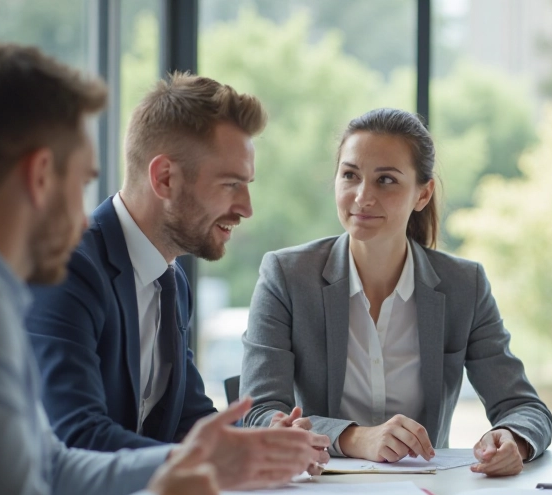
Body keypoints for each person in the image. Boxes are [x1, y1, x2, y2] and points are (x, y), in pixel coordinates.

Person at [0, 43, 319, 495]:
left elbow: (54, 467)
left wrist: (206, 458)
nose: (85, 214)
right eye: (84, 179)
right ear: (41, 175)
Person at [25, 73, 329, 472]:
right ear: (164, 178)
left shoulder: (171, 280)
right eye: (231, 184)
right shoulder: (67, 268)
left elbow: (188, 419)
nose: (246, 207)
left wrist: (266, 438)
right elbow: (76, 436)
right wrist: (218, 457)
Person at [240, 108, 552, 477]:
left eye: (386, 180)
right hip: (319, 487)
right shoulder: (287, 276)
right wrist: (356, 438)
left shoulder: (463, 285)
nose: (361, 197)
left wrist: (510, 438)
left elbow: (525, 409)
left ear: (423, 194)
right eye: (350, 176)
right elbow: (258, 413)